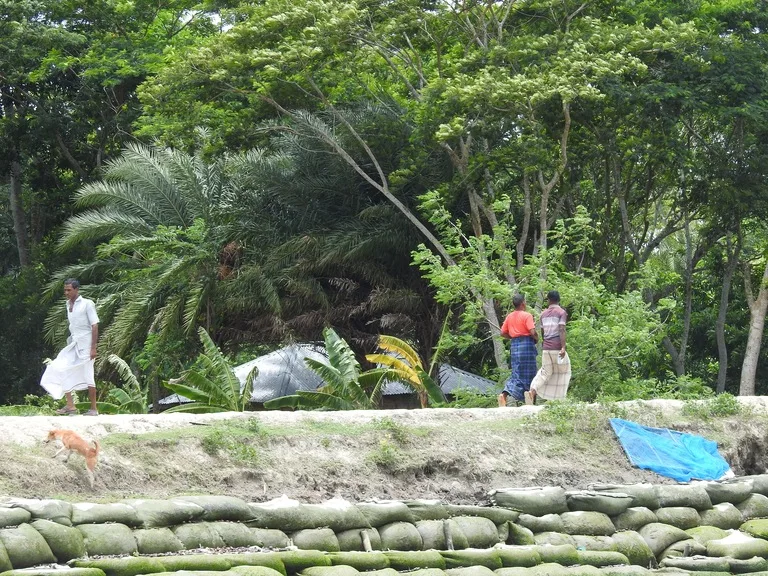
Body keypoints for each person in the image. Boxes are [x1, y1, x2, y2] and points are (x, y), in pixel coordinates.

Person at [40, 279, 100, 415]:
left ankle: (94, 409)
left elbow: (95, 325)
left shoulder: (87, 304)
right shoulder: (68, 304)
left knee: (88, 375)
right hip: (73, 343)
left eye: (69, 290)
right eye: (65, 290)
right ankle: (70, 406)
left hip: (86, 345)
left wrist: (93, 348)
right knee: (59, 368)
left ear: (76, 289)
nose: (66, 293)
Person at [528, 290, 571, 404]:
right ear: (559, 300)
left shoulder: (543, 314)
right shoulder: (562, 312)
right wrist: (563, 347)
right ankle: (559, 398)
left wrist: (544, 343)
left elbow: (542, 331)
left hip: (546, 348)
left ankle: (533, 389)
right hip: (557, 348)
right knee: (565, 371)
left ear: (548, 300)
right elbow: (561, 329)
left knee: (545, 372)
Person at [498, 293, 538, 407]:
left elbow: (502, 333)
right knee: (530, 373)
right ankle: (530, 398)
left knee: (516, 373)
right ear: (523, 303)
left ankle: (504, 395)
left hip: (515, 345)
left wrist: (512, 337)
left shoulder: (510, 316)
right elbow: (532, 331)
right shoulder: (527, 315)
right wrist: (536, 338)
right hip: (526, 345)